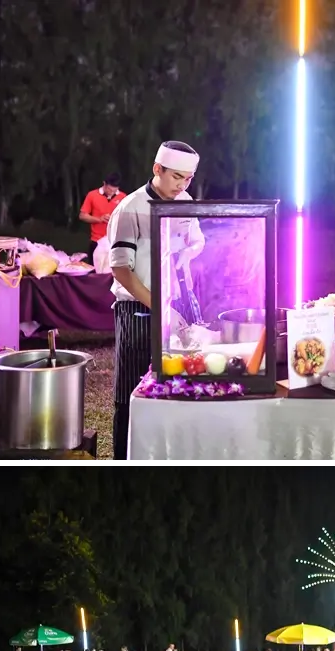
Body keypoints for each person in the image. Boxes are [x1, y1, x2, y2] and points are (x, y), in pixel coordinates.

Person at [107, 140, 204, 463]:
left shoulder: (185, 201)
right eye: (176, 177)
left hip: (178, 303)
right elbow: (121, 270)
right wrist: (159, 304)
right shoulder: (130, 208)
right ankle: (125, 461)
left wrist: (184, 256)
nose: (182, 185)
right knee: (132, 392)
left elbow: (196, 243)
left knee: (179, 381)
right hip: (138, 306)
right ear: (157, 169)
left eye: (188, 179)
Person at [79, 172, 127, 263]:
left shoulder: (123, 197)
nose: (112, 192)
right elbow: (82, 215)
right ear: (104, 184)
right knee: (96, 273)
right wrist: (99, 219)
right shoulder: (92, 195)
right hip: (97, 241)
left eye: (115, 190)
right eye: (110, 189)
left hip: (115, 242)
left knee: (114, 273)